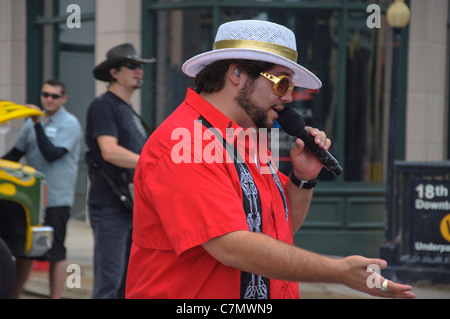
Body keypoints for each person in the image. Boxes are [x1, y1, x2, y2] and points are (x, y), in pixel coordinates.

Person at [125, 20, 415, 299]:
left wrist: (303, 179)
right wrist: (339, 271)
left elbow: (276, 230)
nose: (289, 98)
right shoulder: (184, 142)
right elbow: (232, 246)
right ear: (236, 74)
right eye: (283, 84)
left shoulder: (246, 138)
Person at [2, 79, 82, 299]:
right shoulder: (31, 123)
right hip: (31, 201)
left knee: (55, 252)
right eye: (45, 94)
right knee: (24, 250)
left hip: (57, 199)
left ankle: (55, 297)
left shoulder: (70, 123)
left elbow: (52, 153)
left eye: (55, 96)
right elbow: (14, 155)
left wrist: (37, 123)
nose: (49, 99)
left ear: (64, 98)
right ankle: (13, 294)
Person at [85, 43, 153, 299]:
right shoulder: (104, 105)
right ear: (114, 73)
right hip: (110, 207)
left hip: (131, 208)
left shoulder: (127, 109)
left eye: (141, 67)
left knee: (129, 285)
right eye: (132, 66)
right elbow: (109, 151)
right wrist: (152, 164)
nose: (139, 72)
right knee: (108, 285)